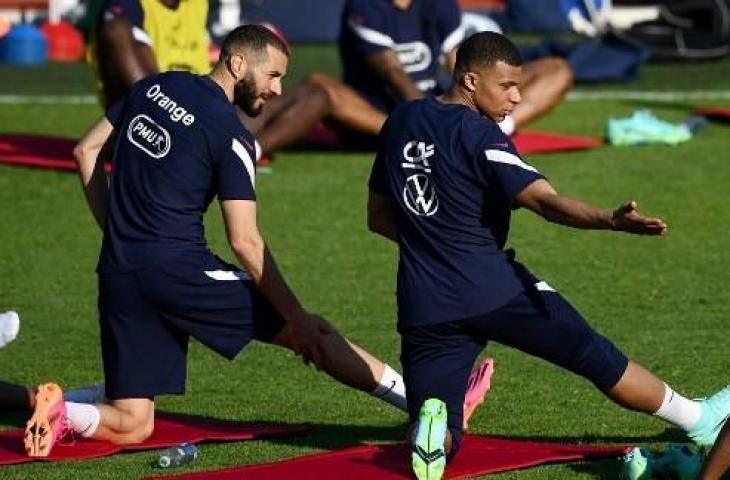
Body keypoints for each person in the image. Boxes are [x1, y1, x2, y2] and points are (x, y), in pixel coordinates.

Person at [23, 25, 487, 458]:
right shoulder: (232, 138)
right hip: (182, 274)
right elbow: (245, 242)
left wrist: (118, 233)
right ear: (238, 64)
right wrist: (295, 318)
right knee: (313, 331)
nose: (278, 89)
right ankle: (433, 404)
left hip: (120, 274)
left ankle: (64, 412)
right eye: (274, 75)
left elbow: (85, 151)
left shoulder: (152, 87)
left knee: (133, 423)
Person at [366, 31, 730, 480]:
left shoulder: (401, 119)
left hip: (424, 304)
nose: (517, 97)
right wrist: (608, 220)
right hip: (497, 290)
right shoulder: (481, 135)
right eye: (506, 87)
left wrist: (434, 242)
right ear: (470, 80)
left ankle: (432, 430)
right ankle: (696, 420)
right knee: (594, 355)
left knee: (441, 424)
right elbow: (545, 202)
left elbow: (378, 217)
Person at [248, 0, 573, 158]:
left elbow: (461, 61)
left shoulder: (439, 4)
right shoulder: (365, 7)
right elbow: (394, 76)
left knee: (556, 68)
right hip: (381, 117)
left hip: (436, 104)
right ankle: (249, 149)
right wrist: (437, 122)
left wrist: (483, 95)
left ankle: (499, 129)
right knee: (321, 87)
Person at [90, 0, 211, 109]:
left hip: (201, 100)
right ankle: (158, 109)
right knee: (116, 30)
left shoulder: (198, 4)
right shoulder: (131, 5)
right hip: (156, 103)